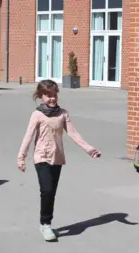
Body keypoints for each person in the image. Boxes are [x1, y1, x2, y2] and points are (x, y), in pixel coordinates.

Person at [17, 79, 101, 242]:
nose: (52, 98)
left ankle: (48, 221)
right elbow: (28, 136)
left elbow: (74, 133)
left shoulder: (63, 113)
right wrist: (21, 157)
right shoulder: (37, 114)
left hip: (57, 157)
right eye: (48, 95)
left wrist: (89, 149)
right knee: (46, 190)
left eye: (54, 95)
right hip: (41, 157)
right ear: (41, 96)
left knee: (51, 193)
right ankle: (45, 224)